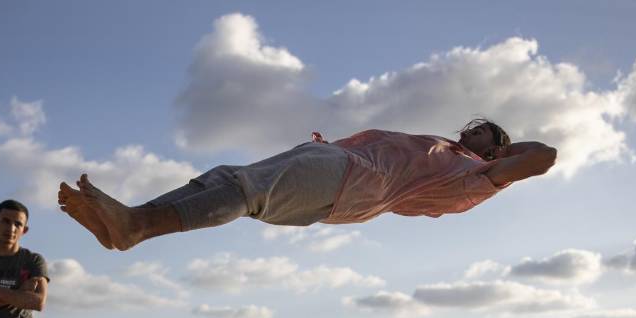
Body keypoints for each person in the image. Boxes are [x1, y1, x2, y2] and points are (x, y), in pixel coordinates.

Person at [58, 121, 556, 251]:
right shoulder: (447, 153)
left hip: (355, 181)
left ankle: (135, 226)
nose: (468, 133)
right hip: (341, 164)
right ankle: (124, 222)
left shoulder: (477, 178)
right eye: (471, 127)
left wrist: (500, 155)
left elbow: (544, 157)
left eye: (482, 134)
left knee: (247, 192)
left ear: (494, 151)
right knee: (227, 179)